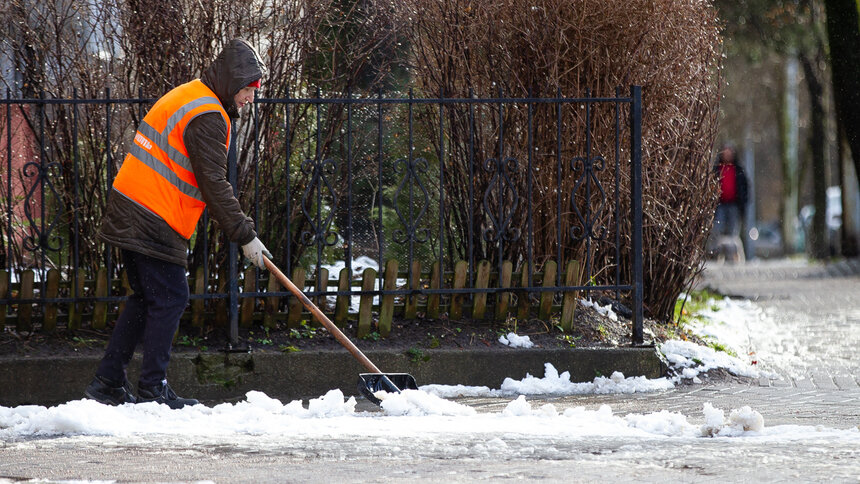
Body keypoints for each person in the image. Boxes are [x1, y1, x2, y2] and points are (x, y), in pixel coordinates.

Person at [84, 39, 272, 408]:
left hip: (131, 206)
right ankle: (153, 390)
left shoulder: (191, 95)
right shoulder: (208, 116)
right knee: (171, 298)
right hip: (153, 214)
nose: (250, 100)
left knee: (145, 299)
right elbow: (214, 184)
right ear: (234, 83)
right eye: (249, 91)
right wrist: (245, 235)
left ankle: (107, 382)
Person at [711, 145, 749, 261]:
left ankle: (734, 256)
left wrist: (743, 202)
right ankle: (717, 255)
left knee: (734, 233)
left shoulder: (738, 169)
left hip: (734, 204)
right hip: (720, 204)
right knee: (717, 229)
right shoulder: (717, 169)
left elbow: (744, 188)